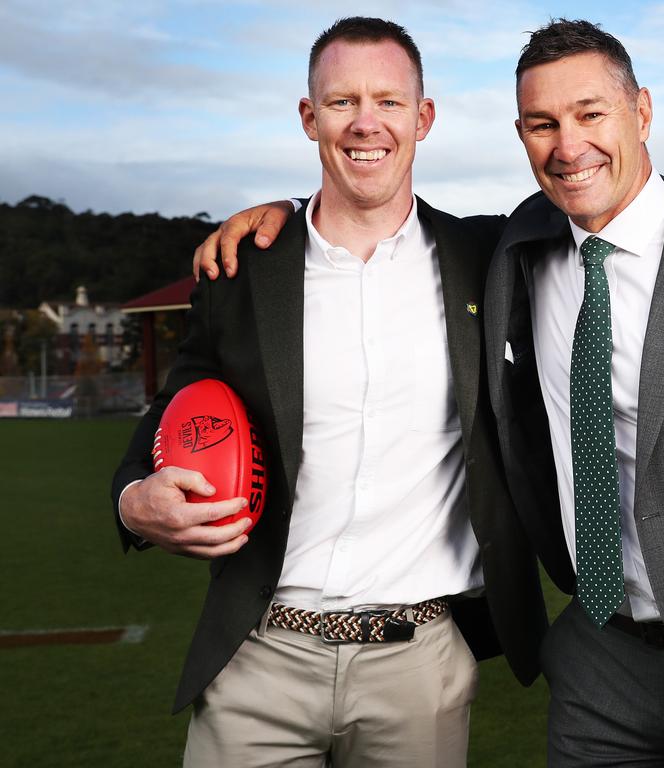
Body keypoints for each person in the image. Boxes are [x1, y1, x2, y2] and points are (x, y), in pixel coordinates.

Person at [197, 19, 664, 768]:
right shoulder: (517, 252)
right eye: (543, 124)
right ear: (521, 133)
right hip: (598, 665)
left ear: (641, 111)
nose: (568, 146)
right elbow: (366, 213)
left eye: (590, 114)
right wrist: (281, 216)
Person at [112, 16, 546, 767]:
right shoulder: (244, 271)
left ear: (424, 117)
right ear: (309, 118)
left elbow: (587, 202)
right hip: (259, 659)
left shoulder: (486, 255)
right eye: (342, 102)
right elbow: (169, 414)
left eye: (388, 100)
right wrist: (133, 502)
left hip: (420, 668)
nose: (366, 122)